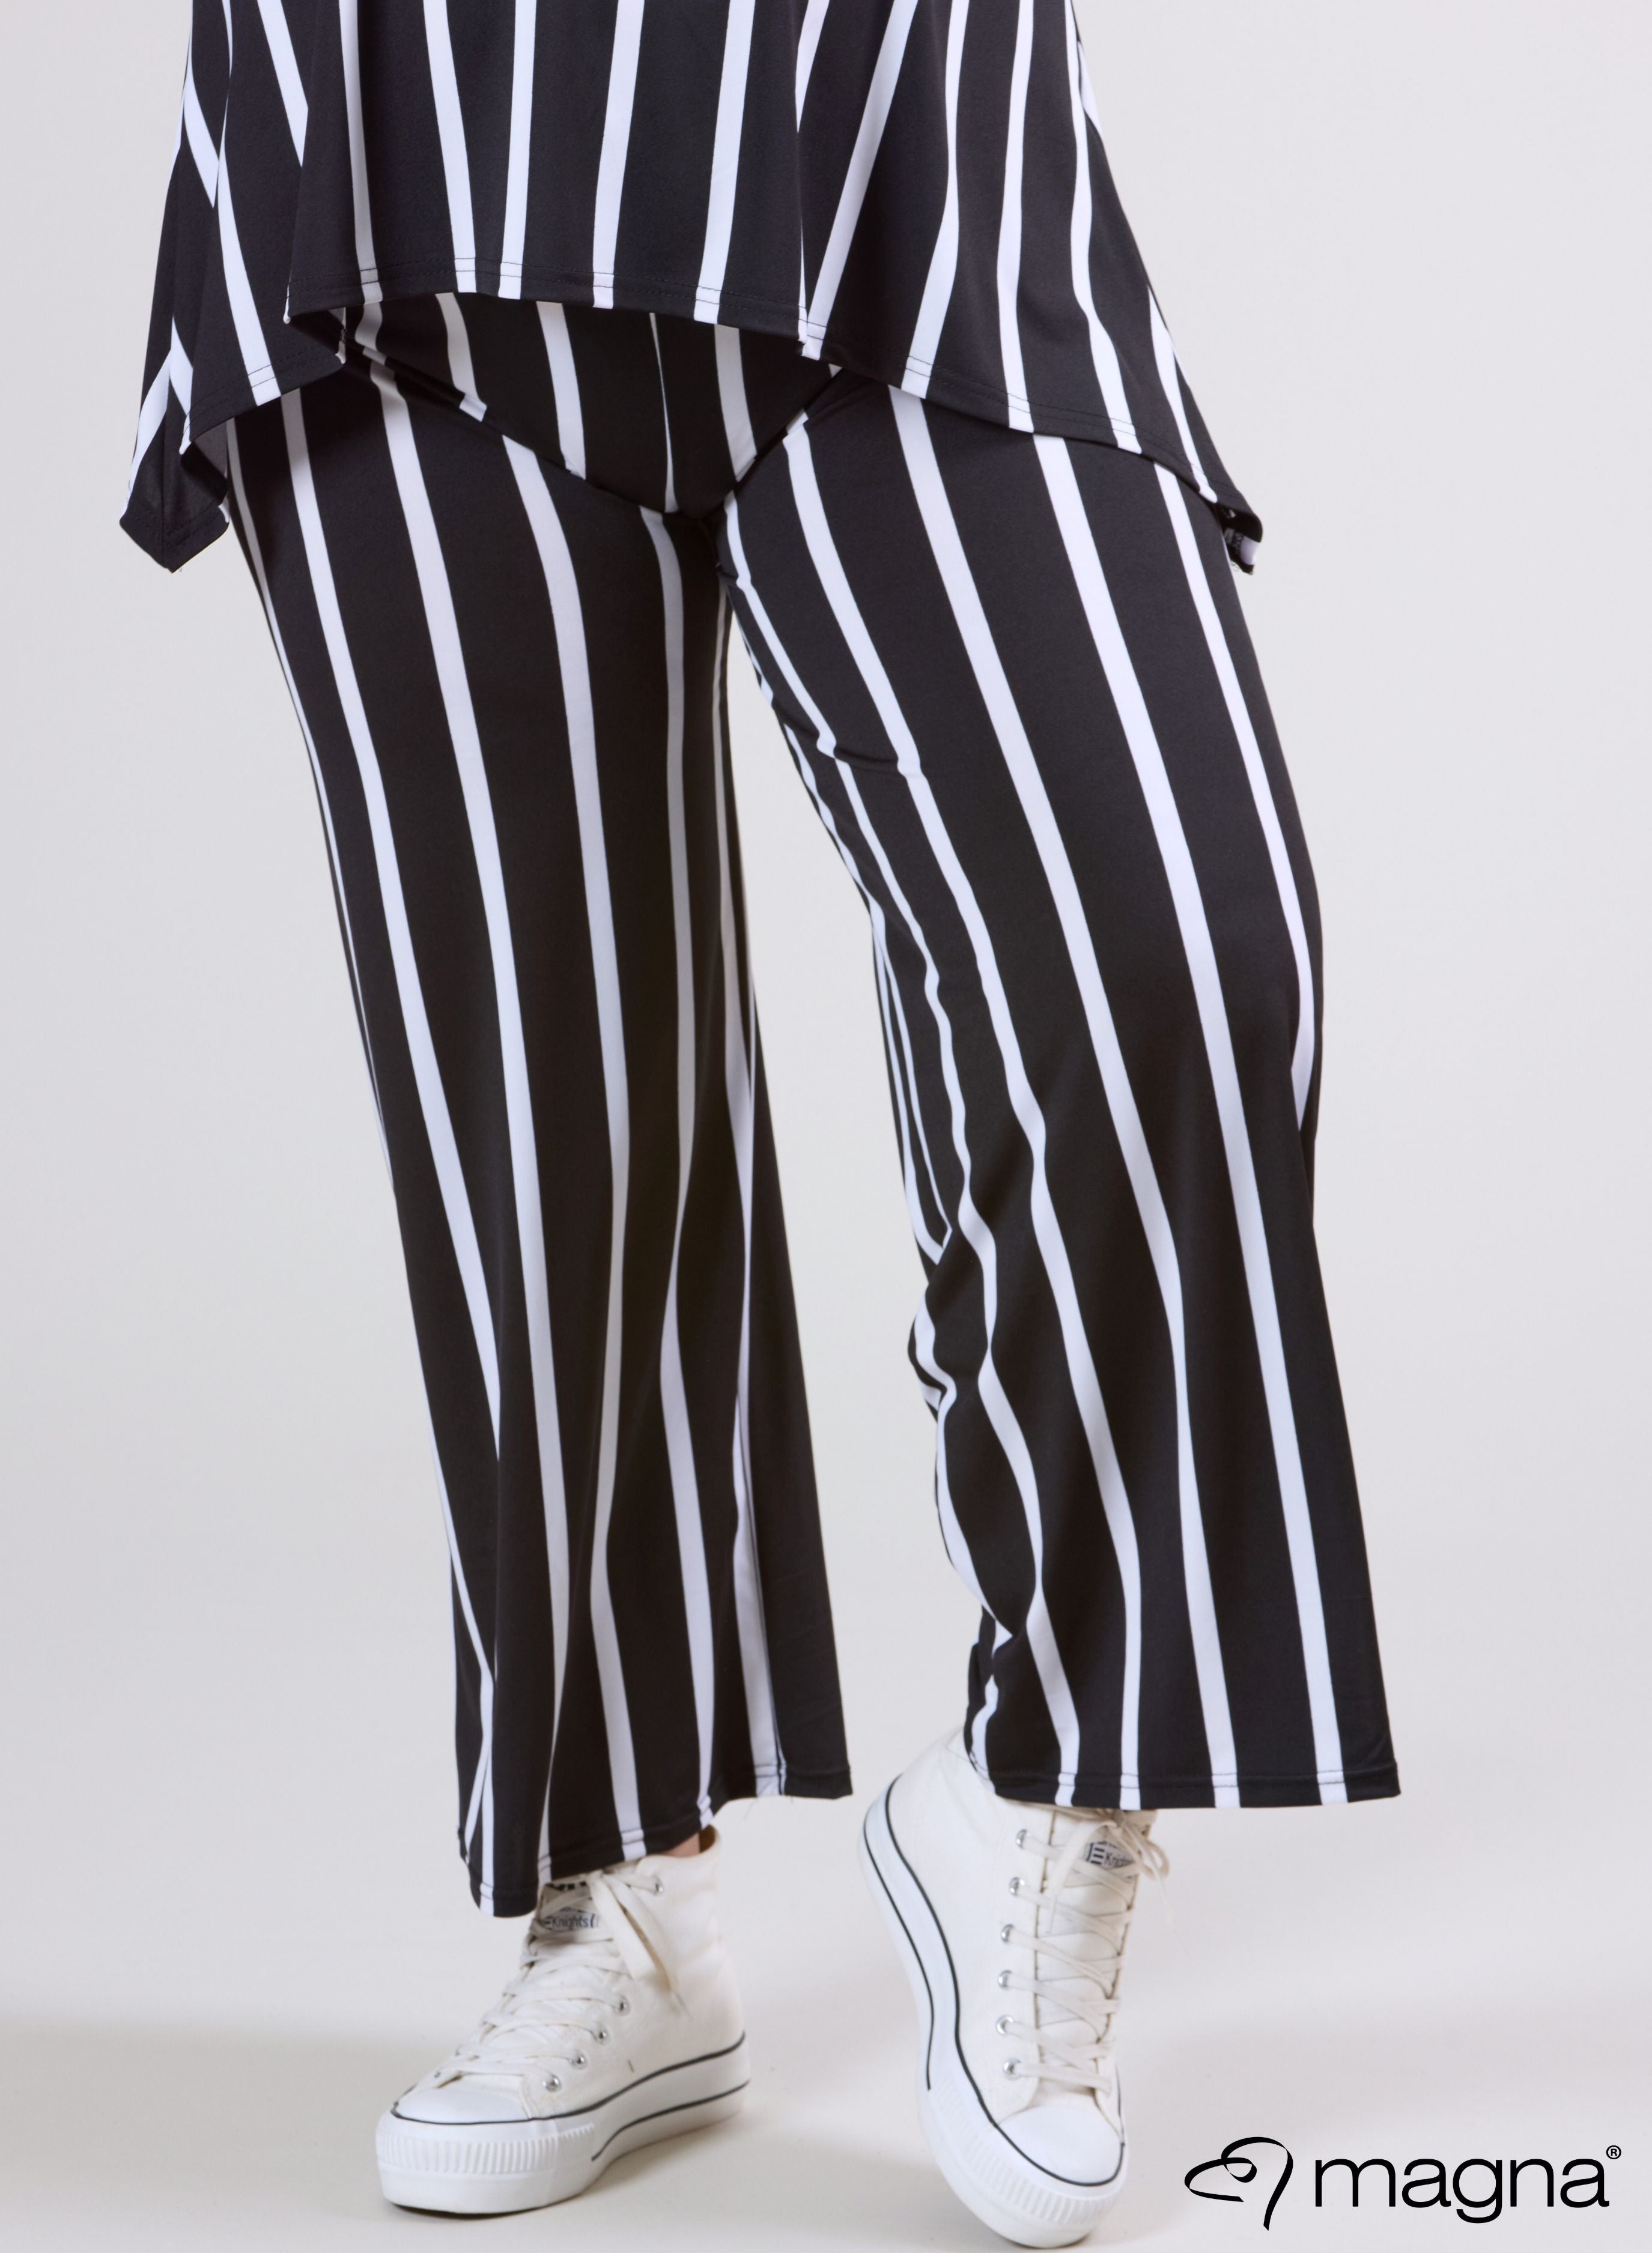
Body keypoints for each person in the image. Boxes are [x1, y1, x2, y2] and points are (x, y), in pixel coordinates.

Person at [123, 3, 1397, 2243]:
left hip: (890, 133)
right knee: (536, 1097)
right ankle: (625, 1895)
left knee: (1175, 951)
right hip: (399, 172)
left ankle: (1044, 1781)